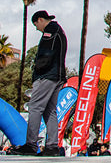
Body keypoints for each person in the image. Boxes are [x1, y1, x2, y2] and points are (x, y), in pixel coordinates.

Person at [12, 10, 67, 156]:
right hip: (58, 76)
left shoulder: (50, 31)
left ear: (40, 19)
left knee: (35, 107)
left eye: (36, 24)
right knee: (50, 111)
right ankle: (52, 146)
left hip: (47, 75)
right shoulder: (59, 30)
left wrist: (38, 69)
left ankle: (31, 144)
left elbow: (46, 54)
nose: (37, 28)